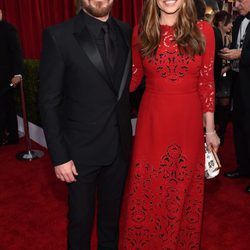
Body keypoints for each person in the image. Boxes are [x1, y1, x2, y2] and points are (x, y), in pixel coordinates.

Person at [119, 0, 220, 249]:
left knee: (183, 190)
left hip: (188, 121)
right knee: (149, 188)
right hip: (152, 123)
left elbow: (206, 83)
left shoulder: (203, 31)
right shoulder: (141, 32)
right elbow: (133, 78)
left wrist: (210, 130)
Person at [39, 0, 132, 249]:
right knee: (80, 223)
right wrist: (59, 157)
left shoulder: (127, 32)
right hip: (79, 155)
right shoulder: (59, 36)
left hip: (119, 149)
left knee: (111, 224)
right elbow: (49, 102)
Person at [221, 0, 250, 192]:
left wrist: (240, 55)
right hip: (238, 82)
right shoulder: (239, 21)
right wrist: (229, 60)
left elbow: (243, 52)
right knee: (240, 125)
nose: (236, 5)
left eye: (240, 0)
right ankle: (243, 167)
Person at [0, 9, 23, 145]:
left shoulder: (9, 29)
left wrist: (18, 74)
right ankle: (10, 136)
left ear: (1, 13)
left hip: (6, 78)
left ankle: (12, 136)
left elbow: (16, 52)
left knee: (6, 107)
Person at [213, 11, 233, 144]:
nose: (231, 25)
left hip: (226, 76)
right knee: (214, 104)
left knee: (224, 104)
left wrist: (226, 68)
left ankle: (222, 132)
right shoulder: (213, 35)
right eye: (229, 22)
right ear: (221, 23)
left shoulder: (231, 38)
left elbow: (236, 59)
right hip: (215, 75)